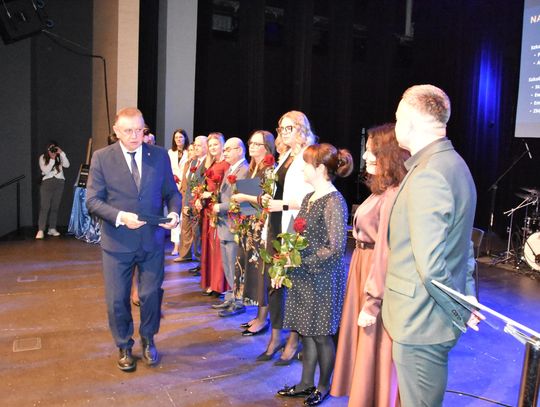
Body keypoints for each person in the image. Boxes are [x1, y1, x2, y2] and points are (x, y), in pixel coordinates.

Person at [381, 85, 481, 407]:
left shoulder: (430, 174)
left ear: (411, 120)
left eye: (398, 118)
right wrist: (467, 296)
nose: (395, 125)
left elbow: (431, 267)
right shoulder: (454, 165)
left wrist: (460, 310)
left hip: (420, 322)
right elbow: (464, 246)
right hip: (430, 319)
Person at [86, 107, 181, 372]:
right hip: (117, 243)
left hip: (152, 240)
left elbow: (172, 193)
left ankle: (148, 339)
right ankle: (124, 345)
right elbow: (93, 201)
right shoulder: (102, 158)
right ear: (116, 131)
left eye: (139, 130)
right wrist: (120, 217)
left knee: (151, 295)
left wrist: (174, 213)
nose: (135, 135)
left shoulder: (159, 155)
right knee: (117, 299)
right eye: (128, 130)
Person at [331, 124, 408, 406]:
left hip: (375, 269)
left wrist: (373, 301)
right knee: (365, 345)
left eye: (372, 151)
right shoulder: (382, 190)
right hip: (363, 265)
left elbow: (388, 249)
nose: (365, 156)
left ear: (389, 154)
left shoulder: (393, 194)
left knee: (375, 346)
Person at [275, 143, 353, 406]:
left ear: (320, 169)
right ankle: (305, 383)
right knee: (306, 331)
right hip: (303, 275)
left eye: (306, 165)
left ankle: (323, 385)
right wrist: (286, 258)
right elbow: (298, 235)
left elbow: (335, 247)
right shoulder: (310, 197)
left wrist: (300, 260)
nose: (302, 170)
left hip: (322, 278)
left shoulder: (334, 201)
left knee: (321, 335)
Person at [261, 110, 315, 365]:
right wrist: (268, 197)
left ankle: (293, 342)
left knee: (291, 286)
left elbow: (311, 198)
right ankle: (275, 338)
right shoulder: (285, 156)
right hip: (275, 224)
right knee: (274, 285)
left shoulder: (308, 156)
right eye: (281, 128)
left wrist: (281, 204)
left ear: (301, 129)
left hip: (293, 226)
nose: (283, 133)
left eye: (289, 128)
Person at [230, 130, 276, 335]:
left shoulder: (269, 169)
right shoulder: (252, 168)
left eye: (258, 144)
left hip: (261, 229)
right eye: (251, 143)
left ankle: (263, 319)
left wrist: (244, 198)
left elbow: (267, 200)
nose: (253, 147)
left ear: (267, 147)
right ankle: (258, 316)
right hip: (249, 226)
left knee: (260, 274)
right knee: (251, 272)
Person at [211, 137, 249, 317]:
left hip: (234, 226)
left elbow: (245, 202)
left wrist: (220, 207)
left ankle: (239, 301)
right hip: (224, 225)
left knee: (236, 266)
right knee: (228, 265)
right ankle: (231, 296)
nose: (224, 152)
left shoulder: (245, 170)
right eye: (224, 149)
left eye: (228, 149)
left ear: (239, 150)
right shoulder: (231, 168)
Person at [197, 132, 229, 296]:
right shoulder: (211, 163)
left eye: (216, 144)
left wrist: (211, 194)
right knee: (209, 247)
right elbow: (205, 185)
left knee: (218, 247)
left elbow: (228, 190)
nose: (213, 147)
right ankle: (211, 282)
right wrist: (199, 197)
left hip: (219, 209)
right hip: (208, 209)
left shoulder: (226, 164)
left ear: (222, 145)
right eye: (210, 145)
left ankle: (220, 285)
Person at [175, 135, 208, 265]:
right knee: (186, 228)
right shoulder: (194, 162)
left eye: (199, 145)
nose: (196, 148)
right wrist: (186, 203)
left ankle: (200, 261)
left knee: (198, 232)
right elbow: (189, 185)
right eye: (195, 145)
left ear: (206, 147)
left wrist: (196, 201)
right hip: (189, 201)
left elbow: (203, 185)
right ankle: (186, 255)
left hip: (200, 202)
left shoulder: (207, 163)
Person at [36, 141, 70, 239]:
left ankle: (52, 228)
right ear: (47, 149)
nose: (52, 150)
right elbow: (45, 170)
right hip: (47, 183)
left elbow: (67, 165)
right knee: (45, 207)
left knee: (55, 207)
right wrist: (52, 159)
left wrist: (62, 153)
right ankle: (41, 229)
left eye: (54, 148)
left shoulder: (60, 156)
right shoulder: (43, 157)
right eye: (50, 148)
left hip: (59, 183)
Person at [168, 129, 190, 256]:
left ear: (185, 138)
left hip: (186, 186)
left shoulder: (189, 152)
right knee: (174, 214)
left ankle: (184, 245)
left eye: (181, 137)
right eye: (176, 137)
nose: (178, 139)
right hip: (173, 186)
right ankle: (176, 245)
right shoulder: (170, 152)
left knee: (184, 217)